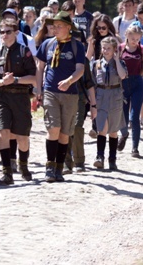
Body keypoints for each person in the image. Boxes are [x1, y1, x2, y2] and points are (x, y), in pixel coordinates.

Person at [35, 11, 88, 182]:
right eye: (54, 26)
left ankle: (59, 167)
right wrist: (38, 88)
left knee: (65, 133)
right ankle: (50, 167)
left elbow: (80, 69)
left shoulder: (77, 46)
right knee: (53, 129)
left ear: (68, 28)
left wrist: (69, 80)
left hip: (70, 94)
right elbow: (40, 67)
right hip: (50, 91)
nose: (55, 29)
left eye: (59, 26)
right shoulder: (47, 44)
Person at [0, 19, 37, 185]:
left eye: (8, 32)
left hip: (20, 97)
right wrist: (2, 82)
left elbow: (34, 78)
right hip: (2, 97)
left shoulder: (24, 51)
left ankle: (23, 165)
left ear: (16, 33)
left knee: (22, 136)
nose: (4, 35)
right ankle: (7, 172)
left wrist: (14, 79)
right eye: (2, 32)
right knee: (3, 132)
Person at [91, 36, 126, 171]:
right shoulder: (96, 64)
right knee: (102, 129)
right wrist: (92, 103)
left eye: (108, 48)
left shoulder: (120, 63)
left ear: (114, 50)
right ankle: (99, 157)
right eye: (103, 48)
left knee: (113, 130)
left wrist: (116, 60)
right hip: (101, 96)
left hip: (115, 95)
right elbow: (93, 83)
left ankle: (112, 159)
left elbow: (122, 76)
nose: (105, 51)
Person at [117, 24, 143, 157]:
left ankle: (135, 147)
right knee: (123, 115)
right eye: (132, 38)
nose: (135, 41)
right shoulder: (120, 49)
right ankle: (124, 135)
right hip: (123, 83)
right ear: (127, 36)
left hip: (137, 83)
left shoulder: (142, 50)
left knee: (134, 116)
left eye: (137, 38)